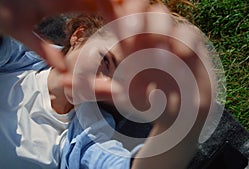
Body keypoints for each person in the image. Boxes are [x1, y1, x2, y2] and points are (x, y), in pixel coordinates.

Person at [0, 1, 215, 169]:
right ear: (79, 35)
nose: (102, 85)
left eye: (122, 83)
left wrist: (183, 123)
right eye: (105, 61)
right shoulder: (19, 60)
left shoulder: (87, 136)